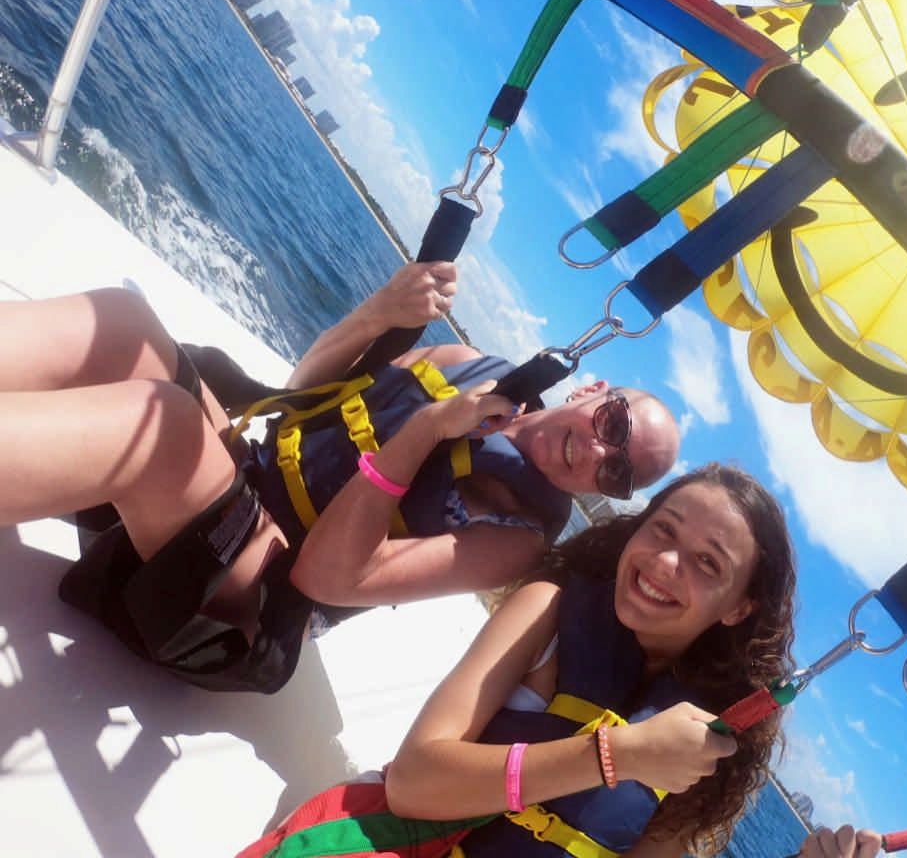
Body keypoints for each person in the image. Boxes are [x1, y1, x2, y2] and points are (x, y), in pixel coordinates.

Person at [0, 261, 680, 694]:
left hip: (254, 601)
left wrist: (423, 434)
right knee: (126, 326)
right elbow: (304, 397)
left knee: (163, 423)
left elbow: (325, 582)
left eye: (618, 472)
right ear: (593, 390)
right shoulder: (465, 362)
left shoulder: (519, 534)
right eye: (613, 423)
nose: (597, 451)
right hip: (238, 484)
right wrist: (380, 311)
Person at [239, 463, 884, 858]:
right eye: (663, 528)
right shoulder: (548, 608)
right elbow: (414, 781)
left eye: (706, 563)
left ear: (738, 609)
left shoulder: (708, 743)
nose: (663, 563)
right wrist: (619, 756)